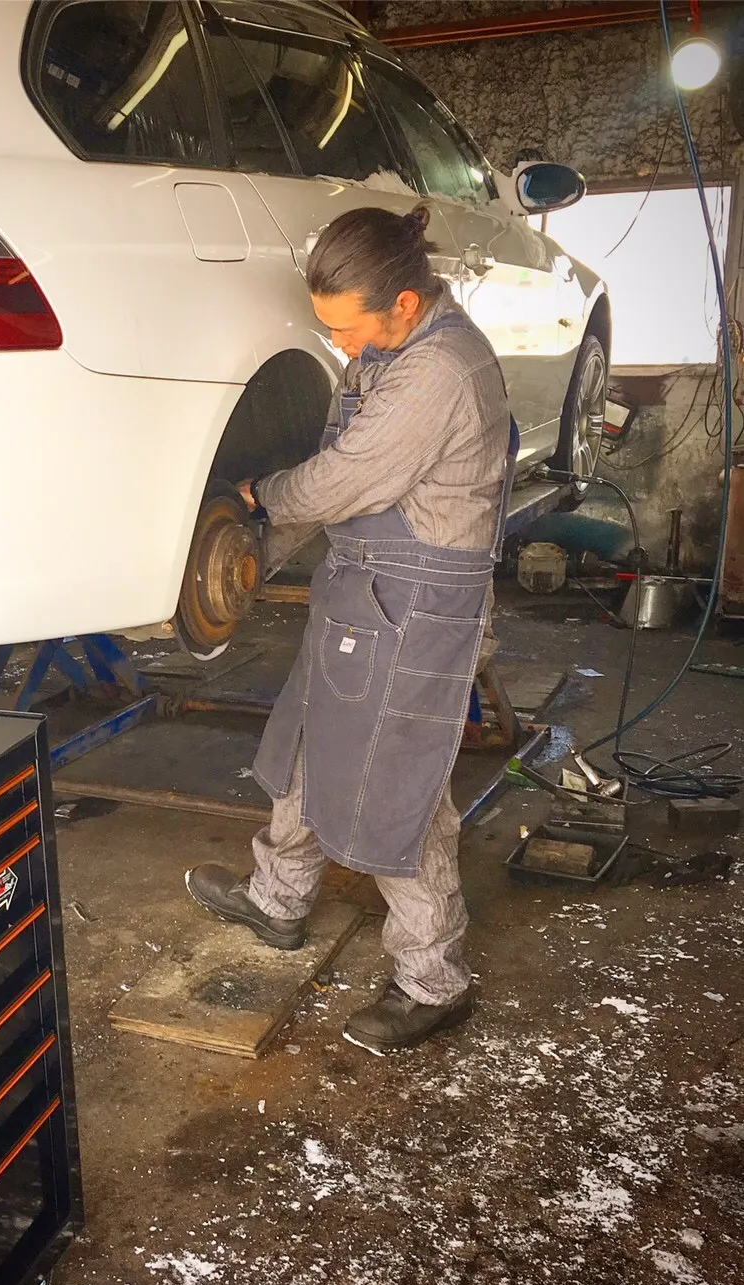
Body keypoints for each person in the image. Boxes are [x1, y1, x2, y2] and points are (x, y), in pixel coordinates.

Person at [186, 202, 515, 1056]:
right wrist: (259, 545)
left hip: (417, 608)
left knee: (399, 789)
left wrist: (262, 499)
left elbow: (342, 481)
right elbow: (337, 490)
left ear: (403, 303)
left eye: (345, 326)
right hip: (363, 588)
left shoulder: (438, 370)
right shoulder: (385, 354)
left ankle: (433, 980)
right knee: (308, 741)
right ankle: (278, 899)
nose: (337, 343)